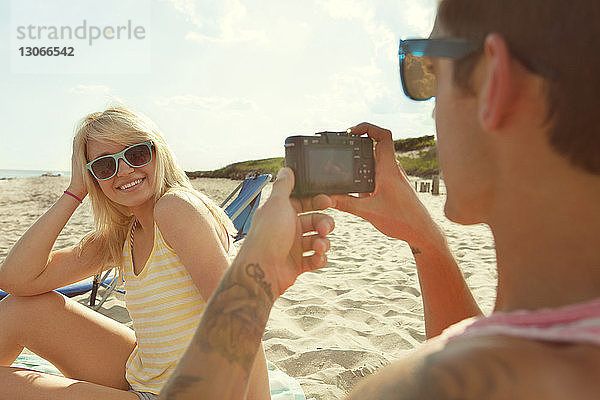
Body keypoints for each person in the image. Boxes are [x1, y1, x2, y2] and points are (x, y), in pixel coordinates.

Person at [157, 0, 600, 398]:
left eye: (428, 73)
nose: (431, 108)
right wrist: (427, 242)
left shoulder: (414, 387)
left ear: (493, 81)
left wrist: (254, 279)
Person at [0, 107, 271, 399]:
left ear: (158, 152)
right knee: (22, 309)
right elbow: (17, 280)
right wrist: (75, 192)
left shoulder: (175, 209)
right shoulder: (126, 232)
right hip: (148, 371)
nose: (125, 170)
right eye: (105, 166)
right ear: (93, 177)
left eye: (137, 154)